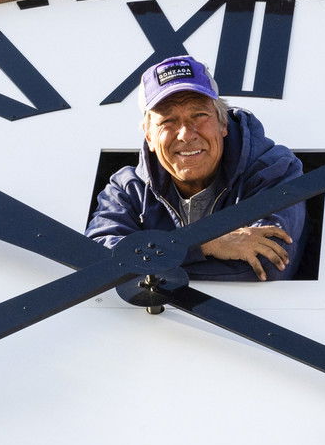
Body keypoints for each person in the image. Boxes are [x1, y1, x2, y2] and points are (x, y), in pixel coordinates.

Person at [85, 55, 306, 281]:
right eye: (167, 121)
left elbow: (268, 265)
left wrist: (146, 267)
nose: (186, 135)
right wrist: (204, 243)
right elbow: (96, 261)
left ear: (223, 123)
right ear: (149, 135)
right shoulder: (127, 189)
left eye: (199, 115)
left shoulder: (273, 170)